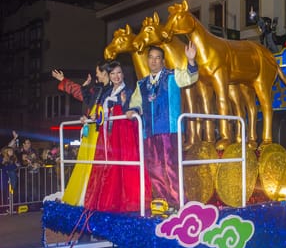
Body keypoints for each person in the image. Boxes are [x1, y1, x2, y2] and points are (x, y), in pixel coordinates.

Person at [126, 43, 199, 208]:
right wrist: (133, 110)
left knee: (171, 167)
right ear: (147, 61)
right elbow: (135, 102)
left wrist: (191, 60)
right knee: (154, 168)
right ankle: (162, 202)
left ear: (163, 61)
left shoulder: (172, 76)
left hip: (169, 130)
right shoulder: (142, 84)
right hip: (149, 131)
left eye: (157, 58)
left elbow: (190, 76)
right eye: (151, 58)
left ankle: (179, 203)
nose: (154, 61)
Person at [84, 61, 151, 212]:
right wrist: (93, 115)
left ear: (123, 74)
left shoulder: (128, 91)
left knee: (125, 166)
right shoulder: (106, 93)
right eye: (113, 73)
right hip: (107, 136)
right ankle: (107, 202)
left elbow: (136, 107)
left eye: (119, 73)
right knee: (108, 167)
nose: (116, 76)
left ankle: (127, 203)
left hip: (123, 134)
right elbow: (100, 112)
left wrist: (128, 107)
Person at [53, 62, 112, 206]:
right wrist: (64, 81)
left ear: (104, 73)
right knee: (85, 162)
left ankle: (95, 197)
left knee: (97, 163)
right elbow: (82, 94)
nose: (96, 74)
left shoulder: (112, 89)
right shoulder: (97, 89)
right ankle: (83, 195)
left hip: (102, 132)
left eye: (97, 71)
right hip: (90, 130)